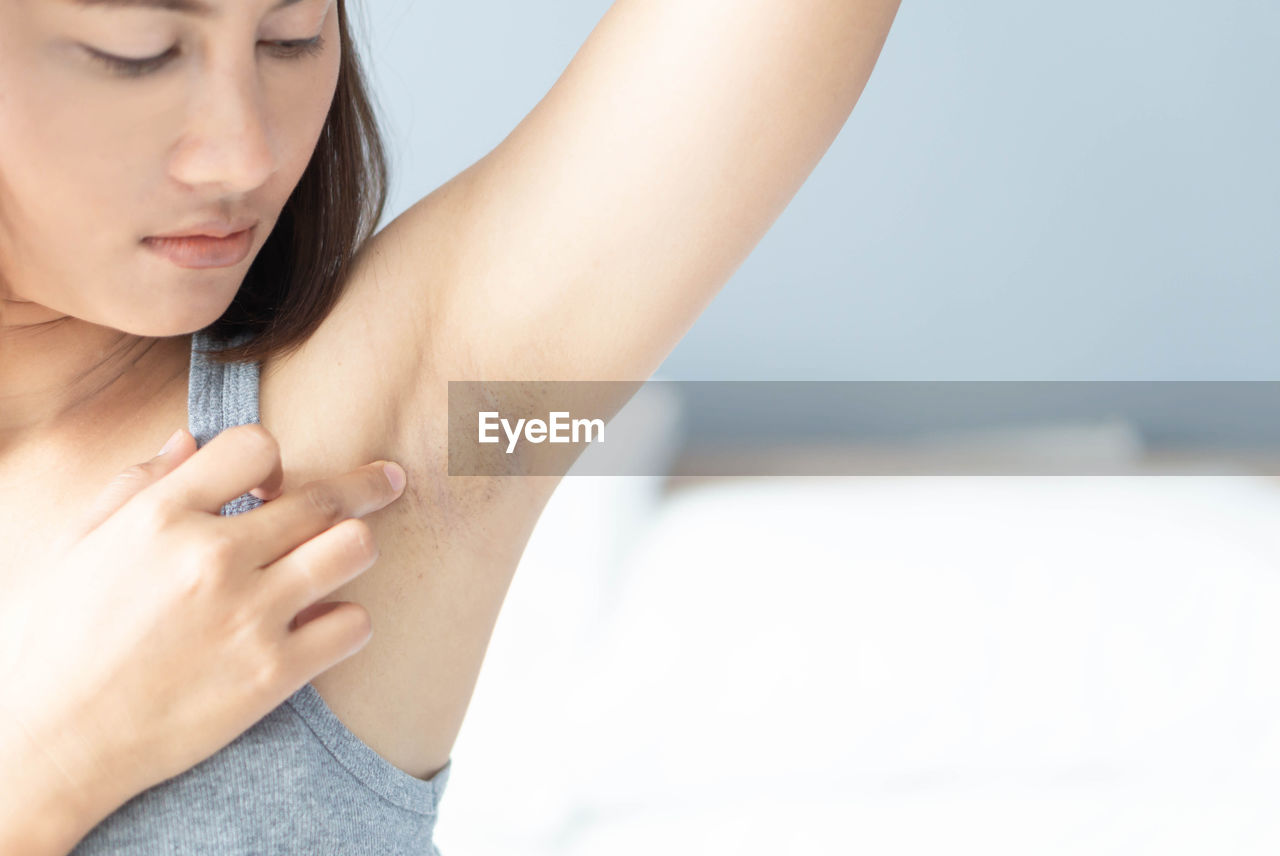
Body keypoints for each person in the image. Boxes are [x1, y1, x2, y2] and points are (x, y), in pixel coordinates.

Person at [0, 0, 902, 852]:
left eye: (292, 35)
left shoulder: (354, 433)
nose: (244, 154)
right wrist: (52, 762)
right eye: (139, 52)